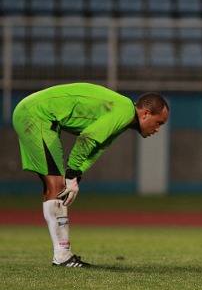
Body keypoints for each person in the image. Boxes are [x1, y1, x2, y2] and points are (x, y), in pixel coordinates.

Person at [12, 83, 169, 267]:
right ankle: (62, 256)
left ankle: (62, 255)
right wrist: (71, 171)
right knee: (57, 185)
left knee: (56, 185)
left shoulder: (122, 114)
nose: (158, 129)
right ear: (145, 114)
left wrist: (76, 175)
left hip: (35, 112)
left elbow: (96, 148)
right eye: (159, 122)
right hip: (37, 115)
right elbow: (87, 138)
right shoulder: (124, 112)